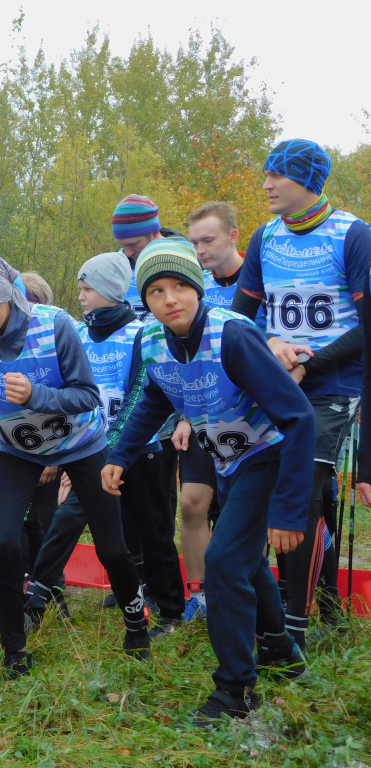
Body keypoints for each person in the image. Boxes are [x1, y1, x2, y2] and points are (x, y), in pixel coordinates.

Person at [105, 239, 314, 726]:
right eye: (156, 290)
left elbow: (299, 419)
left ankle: (236, 690)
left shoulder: (233, 336)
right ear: (145, 300)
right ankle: (282, 653)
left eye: (180, 286)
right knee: (243, 561)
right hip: (228, 462)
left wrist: (287, 511)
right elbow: (155, 400)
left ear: (197, 290)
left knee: (222, 562)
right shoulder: (152, 341)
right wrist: (121, 454)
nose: (170, 298)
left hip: (270, 456)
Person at [0, 252, 148, 677]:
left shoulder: (56, 325)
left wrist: (37, 396)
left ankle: (136, 626)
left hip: (81, 445)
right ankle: (14, 648)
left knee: (112, 548)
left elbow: (87, 396)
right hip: (17, 450)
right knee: (1, 542)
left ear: (7, 297)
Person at [231, 139, 371, 650]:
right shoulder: (265, 236)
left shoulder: (353, 235)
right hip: (278, 378)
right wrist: (270, 347)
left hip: (331, 384)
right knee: (295, 492)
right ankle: (323, 596)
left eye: (276, 176)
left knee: (302, 489)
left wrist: (312, 361)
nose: (265, 184)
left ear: (307, 182)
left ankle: (292, 624)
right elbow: (241, 317)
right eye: (265, 174)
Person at [75, 252, 184, 634]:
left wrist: (116, 445)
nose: (82, 296)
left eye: (89, 288)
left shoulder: (142, 332)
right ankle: (133, 590)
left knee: (154, 531)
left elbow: (141, 392)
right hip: (94, 448)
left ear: (110, 290)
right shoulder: (76, 333)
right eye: (81, 288)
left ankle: (171, 608)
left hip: (140, 448)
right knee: (116, 531)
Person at [176, 201, 252, 619]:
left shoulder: (257, 283)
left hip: (249, 417)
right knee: (191, 502)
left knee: (243, 511)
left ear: (233, 235)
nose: (201, 249)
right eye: (194, 242)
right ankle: (199, 595)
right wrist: (184, 415)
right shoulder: (194, 286)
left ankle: (237, 594)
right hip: (202, 414)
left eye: (208, 240)